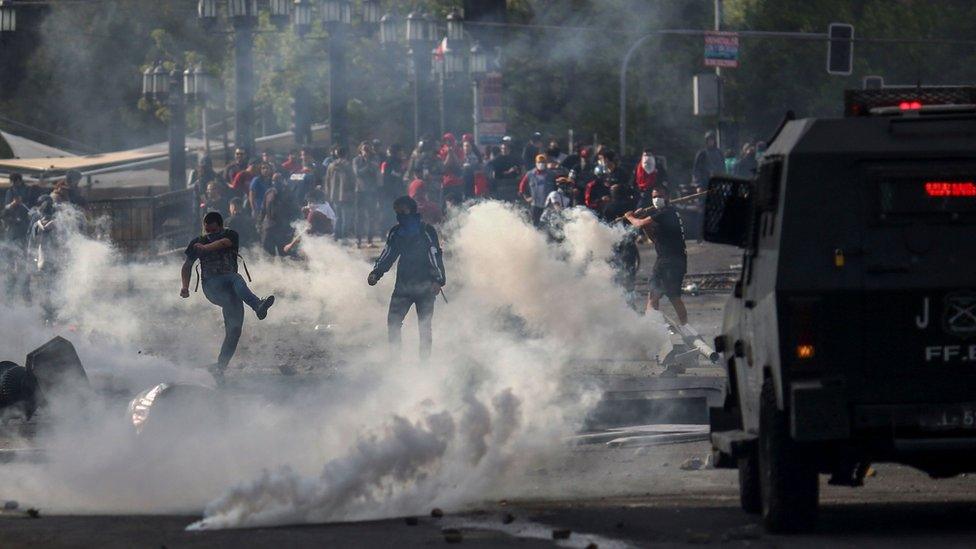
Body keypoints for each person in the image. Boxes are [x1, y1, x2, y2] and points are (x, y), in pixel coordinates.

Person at [181, 212, 275, 381]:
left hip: (232, 292)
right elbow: (187, 265)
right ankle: (257, 305)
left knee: (234, 331)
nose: (209, 234)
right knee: (236, 277)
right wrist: (185, 287)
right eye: (207, 231)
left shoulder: (230, 234)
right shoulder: (197, 242)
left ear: (220, 226)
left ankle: (219, 369)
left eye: (213, 231)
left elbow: (224, 243)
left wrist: (206, 248)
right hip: (212, 287)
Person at [368, 196, 446, 362]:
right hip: (403, 285)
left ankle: (424, 363)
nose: (400, 216)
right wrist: (377, 272)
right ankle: (395, 361)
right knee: (393, 322)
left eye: (403, 212)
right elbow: (389, 253)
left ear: (412, 210)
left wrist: (438, 280)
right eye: (397, 213)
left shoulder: (426, 230)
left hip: (426, 286)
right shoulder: (397, 232)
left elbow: (434, 255)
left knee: (424, 327)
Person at [624, 188, 688, 325]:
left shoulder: (666, 213)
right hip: (674, 260)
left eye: (660, 196)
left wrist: (630, 217)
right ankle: (680, 325)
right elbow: (655, 239)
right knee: (665, 295)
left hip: (668, 261)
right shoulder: (669, 213)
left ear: (667, 196)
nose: (656, 199)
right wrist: (643, 222)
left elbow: (638, 224)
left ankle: (653, 325)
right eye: (654, 196)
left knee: (660, 294)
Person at [352, 140, 380, 247]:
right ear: (360, 150)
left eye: (368, 150)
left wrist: (369, 163)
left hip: (372, 191)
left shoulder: (375, 159)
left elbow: (375, 170)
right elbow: (357, 173)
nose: (366, 152)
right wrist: (367, 165)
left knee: (371, 216)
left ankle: (370, 240)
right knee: (359, 216)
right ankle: (358, 240)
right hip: (360, 191)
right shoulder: (356, 160)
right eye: (364, 149)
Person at [260, 174, 295, 257]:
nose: (275, 182)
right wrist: (260, 223)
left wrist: (291, 228)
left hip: (282, 228)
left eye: (278, 180)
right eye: (274, 180)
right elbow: (263, 209)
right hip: (269, 227)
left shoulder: (288, 193)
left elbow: (293, 210)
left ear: (282, 181)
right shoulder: (269, 192)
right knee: (267, 253)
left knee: (283, 254)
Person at [325, 146, 356, 240]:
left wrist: (328, 193)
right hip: (347, 195)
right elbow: (353, 180)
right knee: (346, 217)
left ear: (336, 154)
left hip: (334, 195)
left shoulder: (331, 165)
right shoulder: (348, 165)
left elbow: (327, 180)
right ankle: (344, 236)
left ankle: (336, 235)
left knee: (337, 216)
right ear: (346, 154)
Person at [519, 154, 555, 227]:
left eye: (543, 162)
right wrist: (526, 197)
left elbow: (557, 187)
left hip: (548, 205)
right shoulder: (530, 174)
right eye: (539, 162)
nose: (541, 164)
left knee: (547, 225)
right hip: (535, 204)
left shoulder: (551, 174)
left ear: (546, 163)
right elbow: (522, 186)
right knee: (534, 224)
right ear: (536, 163)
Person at [485, 137, 522, 201]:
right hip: (500, 181)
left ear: (509, 149)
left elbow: (520, 166)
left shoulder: (514, 157)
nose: (504, 150)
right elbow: (488, 166)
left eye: (505, 149)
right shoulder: (498, 158)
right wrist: (493, 172)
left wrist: (516, 170)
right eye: (502, 148)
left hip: (512, 182)